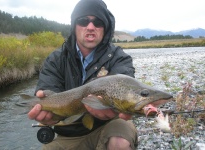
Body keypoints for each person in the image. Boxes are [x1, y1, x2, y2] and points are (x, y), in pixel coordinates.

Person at [28, 0, 137, 149]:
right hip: (68, 135)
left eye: (97, 22)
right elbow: (47, 91)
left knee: (119, 143)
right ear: (74, 26)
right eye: (83, 21)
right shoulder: (55, 60)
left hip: (110, 125)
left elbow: (127, 86)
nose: (90, 27)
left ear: (105, 27)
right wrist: (50, 115)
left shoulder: (119, 58)